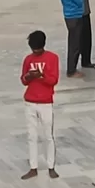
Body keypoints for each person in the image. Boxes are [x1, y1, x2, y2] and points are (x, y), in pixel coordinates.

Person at [20, 30, 60, 179]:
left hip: (45, 102)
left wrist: (41, 76)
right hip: (30, 101)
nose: (34, 52)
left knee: (48, 135)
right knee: (32, 136)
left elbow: (53, 80)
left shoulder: (52, 58)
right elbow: (23, 80)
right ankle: (33, 167)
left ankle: (51, 166)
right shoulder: (28, 59)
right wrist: (29, 76)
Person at [60, 0, 95, 76]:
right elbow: (80, 0)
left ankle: (76, 66)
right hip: (73, 17)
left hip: (75, 15)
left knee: (77, 41)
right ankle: (71, 70)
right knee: (74, 44)